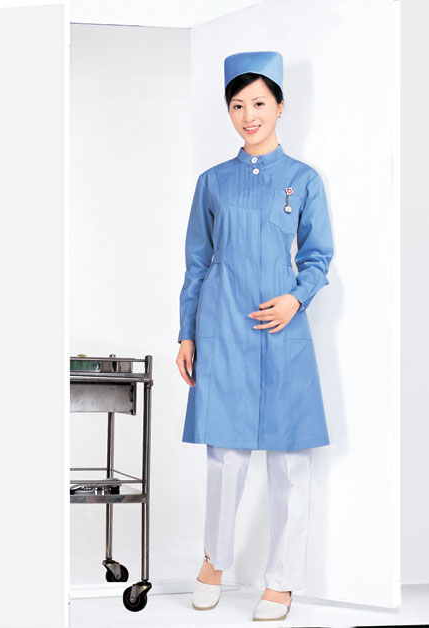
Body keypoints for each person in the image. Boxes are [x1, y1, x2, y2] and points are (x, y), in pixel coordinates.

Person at [175, 51, 334, 622]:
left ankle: (282, 582)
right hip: (221, 326)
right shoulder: (212, 182)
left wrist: (296, 297)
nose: (249, 115)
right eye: (238, 105)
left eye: (259, 103)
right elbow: (196, 263)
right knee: (225, 455)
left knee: (289, 460)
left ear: (280, 106)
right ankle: (213, 563)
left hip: (282, 327)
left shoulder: (303, 180)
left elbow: (318, 256)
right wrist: (187, 332)